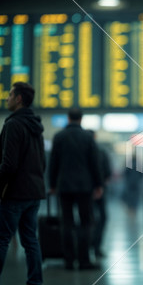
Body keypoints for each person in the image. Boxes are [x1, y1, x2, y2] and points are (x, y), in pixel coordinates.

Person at [0, 82, 46, 285]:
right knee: (31, 241)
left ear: (18, 99)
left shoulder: (13, 125)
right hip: (34, 193)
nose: (6, 98)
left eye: (9, 95)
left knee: (1, 239)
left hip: (15, 193)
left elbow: (8, 165)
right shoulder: (36, 127)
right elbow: (42, 162)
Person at [49, 108, 103, 270]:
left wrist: (52, 184)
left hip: (64, 186)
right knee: (86, 223)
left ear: (68, 118)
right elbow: (95, 163)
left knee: (66, 222)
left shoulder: (59, 137)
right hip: (84, 186)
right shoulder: (87, 137)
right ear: (81, 119)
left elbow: (53, 163)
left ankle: (69, 260)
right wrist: (98, 184)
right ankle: (84, 260)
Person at [88, 130, 112, 258]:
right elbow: (108, 172)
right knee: (102, 218)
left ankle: (87, 245)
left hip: (86, 191)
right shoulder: (101, 152)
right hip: (100, 191)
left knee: (87, 218)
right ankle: (96, 246)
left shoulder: (83, 153)